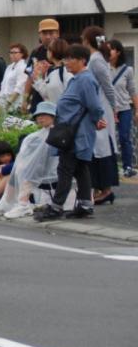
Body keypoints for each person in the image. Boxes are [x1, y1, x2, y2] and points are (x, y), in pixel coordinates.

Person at [34, 44, 105, 222]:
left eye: (70, 59)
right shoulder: (77, 79)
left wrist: (97, 119)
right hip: (73, 131)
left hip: (76, 133)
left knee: (65, 168)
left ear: (82, 61)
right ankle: (84, 205)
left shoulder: (86, 80)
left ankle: (56, 207)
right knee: (80, 168)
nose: (66, 62)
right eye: (65, 59)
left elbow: (95, 106)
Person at [0, 101, 60, 219]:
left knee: (24, 170)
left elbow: (50, 157)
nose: (40, 118)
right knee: (19, 168)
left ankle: (22, 203)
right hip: (40, 168)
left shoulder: (57, 132)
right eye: (38, 116)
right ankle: (7, 201)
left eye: (44, 115)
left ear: (52, 116)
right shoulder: (38, 135)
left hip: (53, 170)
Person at [82, 28, 119, 205]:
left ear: (88, 40)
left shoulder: (96, 60)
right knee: (97, 149)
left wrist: (114, 108)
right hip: (98, 108)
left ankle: (105, 189)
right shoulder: (95, 59)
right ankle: (100, 188)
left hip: (102, 108)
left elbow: (108, 86)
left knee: (102, 149)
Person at [107, 39, 137, 178]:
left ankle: (128, 166)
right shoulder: (103, 68)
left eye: (111, 49)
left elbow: (132, 91)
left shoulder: (127, 70)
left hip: (124, 108)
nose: (108, 51)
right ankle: (111, 168)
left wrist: (137, 109)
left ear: (118, 52)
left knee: (125, 137)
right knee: (109, 138)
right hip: (108, 109)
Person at [25, 18, 61, 110]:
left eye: (51, 33)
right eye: (44, 33)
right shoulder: (36, 52)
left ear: (58, 34)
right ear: (39, 35)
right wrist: (25, 99)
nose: (48, 36)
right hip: (38, 98)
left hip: (58, 99)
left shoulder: (64, 50)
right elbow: (30, 76)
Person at [31, 38, 69, 105]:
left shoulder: (66, 70)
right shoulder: (51, 70)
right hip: (53, 111)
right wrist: (38, 78)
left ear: (52, 52)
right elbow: (46, 94)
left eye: (48, 49)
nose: (47, 52)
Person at [0, 43, 29, 112]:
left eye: (15, 52)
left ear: (22, 54)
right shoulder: (9, 67)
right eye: (11, 52)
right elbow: (3, 85)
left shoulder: (23, 67)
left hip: (14, 103)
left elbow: (19, 87)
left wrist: (8, 103)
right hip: (4, 101)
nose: (12, 54)